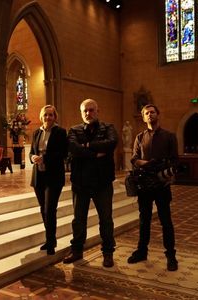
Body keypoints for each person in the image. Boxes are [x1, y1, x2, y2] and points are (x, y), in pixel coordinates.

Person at [63, 99, 118, 267]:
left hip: (102, 182)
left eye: (91, 110)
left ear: (97, 110)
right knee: (79, 220)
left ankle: (108, 252)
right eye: (85, 111)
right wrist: (95, 153)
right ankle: (77, 250)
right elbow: (73, 148)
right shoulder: (74, 130)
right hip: (80, 183)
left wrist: (86, 146)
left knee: (106, 219)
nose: (88, 113)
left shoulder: (108, 128)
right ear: (81, 113)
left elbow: (111, 143)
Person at [127, 104, 179, 271]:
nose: (150, 115)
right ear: (143, 117)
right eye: (146, 113)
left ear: (158, 114)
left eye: (152, 112)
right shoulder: (140, 137)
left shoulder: (169, 136)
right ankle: (142, 251)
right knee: (144, 220)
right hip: (144, 185)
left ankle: (171, 255)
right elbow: (134, 159)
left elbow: (174, 160)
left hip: (162, 184)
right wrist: (148, 164)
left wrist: (163, 171)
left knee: (166, 221)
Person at [30, 105, 68, 255]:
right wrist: (32, 157)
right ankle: (50, 239)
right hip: (39, 176)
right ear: (41, 116)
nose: (48, 117)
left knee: (50, 209)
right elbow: (32, 151)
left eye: (51, 115)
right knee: (43, 209)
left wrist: (44, 157)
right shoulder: (36, 133)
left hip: (53, 176)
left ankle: (51, 242)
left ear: (55, 117)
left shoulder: (60, 132)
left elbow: (63, 153)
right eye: (45, 115)